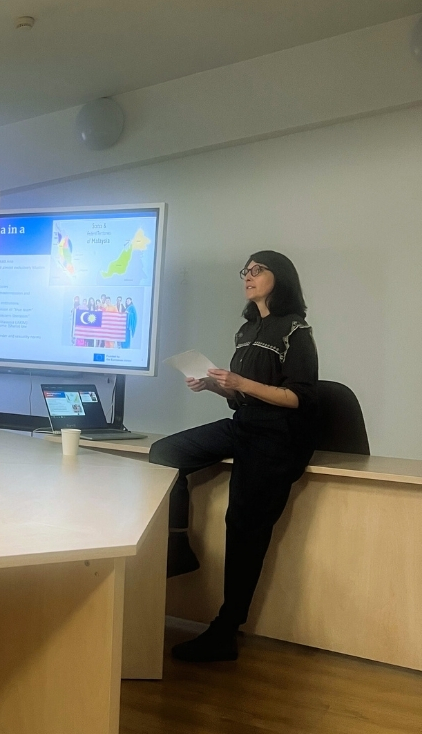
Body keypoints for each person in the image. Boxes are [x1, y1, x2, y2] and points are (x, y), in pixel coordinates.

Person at [148, 251, 318, 662]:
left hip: (278, 437)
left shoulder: (295, 330)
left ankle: (226, 630)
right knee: (164, 452)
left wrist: (241, 382)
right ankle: (177, 545)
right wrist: (215, 386)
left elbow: (299, 397)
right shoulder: (246, 331)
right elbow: (241, 395)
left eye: (257, 270)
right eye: (245, 271)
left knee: (243, 528)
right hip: (244, 423)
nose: (248, 276)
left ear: (280, 277)